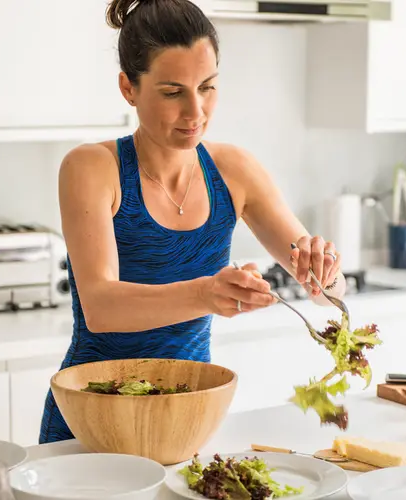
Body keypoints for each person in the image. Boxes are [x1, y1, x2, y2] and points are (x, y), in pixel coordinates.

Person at [39, 0, 346, 444]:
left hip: (186, 422)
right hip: (91, 420)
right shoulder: (92, 167)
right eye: (172, 92)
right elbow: (101, 308)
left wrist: (327, 274)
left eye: (207, 87)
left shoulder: (234, 170)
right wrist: (206, 292)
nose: (195, 111)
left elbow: (328, 297)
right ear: (129, 88)